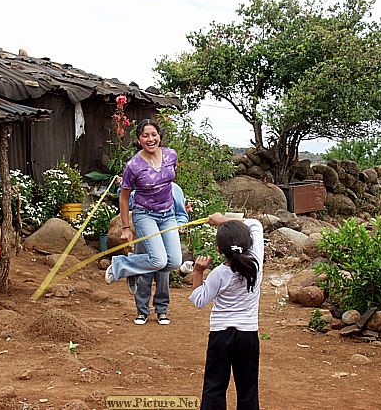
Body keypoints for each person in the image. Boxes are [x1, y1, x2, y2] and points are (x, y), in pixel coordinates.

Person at [105, 118, 182, 325]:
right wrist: (126, 227)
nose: (150, 139)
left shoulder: (171, 155)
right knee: (158, 261)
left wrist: (180, 213)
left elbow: (171, 184)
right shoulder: (133, 165)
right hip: (144, 215)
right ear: (139, 139)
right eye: (145, 135)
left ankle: (133, 269)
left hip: (168, 215)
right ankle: (121, 265)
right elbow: (123, 197)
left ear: (159, 136)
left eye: (154, 134)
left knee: (173, 261)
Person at [189, 212, 264, 410]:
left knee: (214, 387)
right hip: (248, 335)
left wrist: (198, 272)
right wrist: (223, 220)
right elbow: (255, 224)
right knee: (248, 389)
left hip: (220, 336)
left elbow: (198, 300)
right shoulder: (255, 263)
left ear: (219, 249)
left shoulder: (218, 274)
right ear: (248, 243)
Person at [115, 180, 189, 325]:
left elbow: (181, 214)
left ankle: (162, 310)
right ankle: (142, 311)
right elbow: (128, 201)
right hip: (145, 235)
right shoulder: (144, 187)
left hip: (166, 236)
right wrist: (122, 186)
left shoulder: (175, 189)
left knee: (163, 273)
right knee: (145, 274)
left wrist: (179, 225)